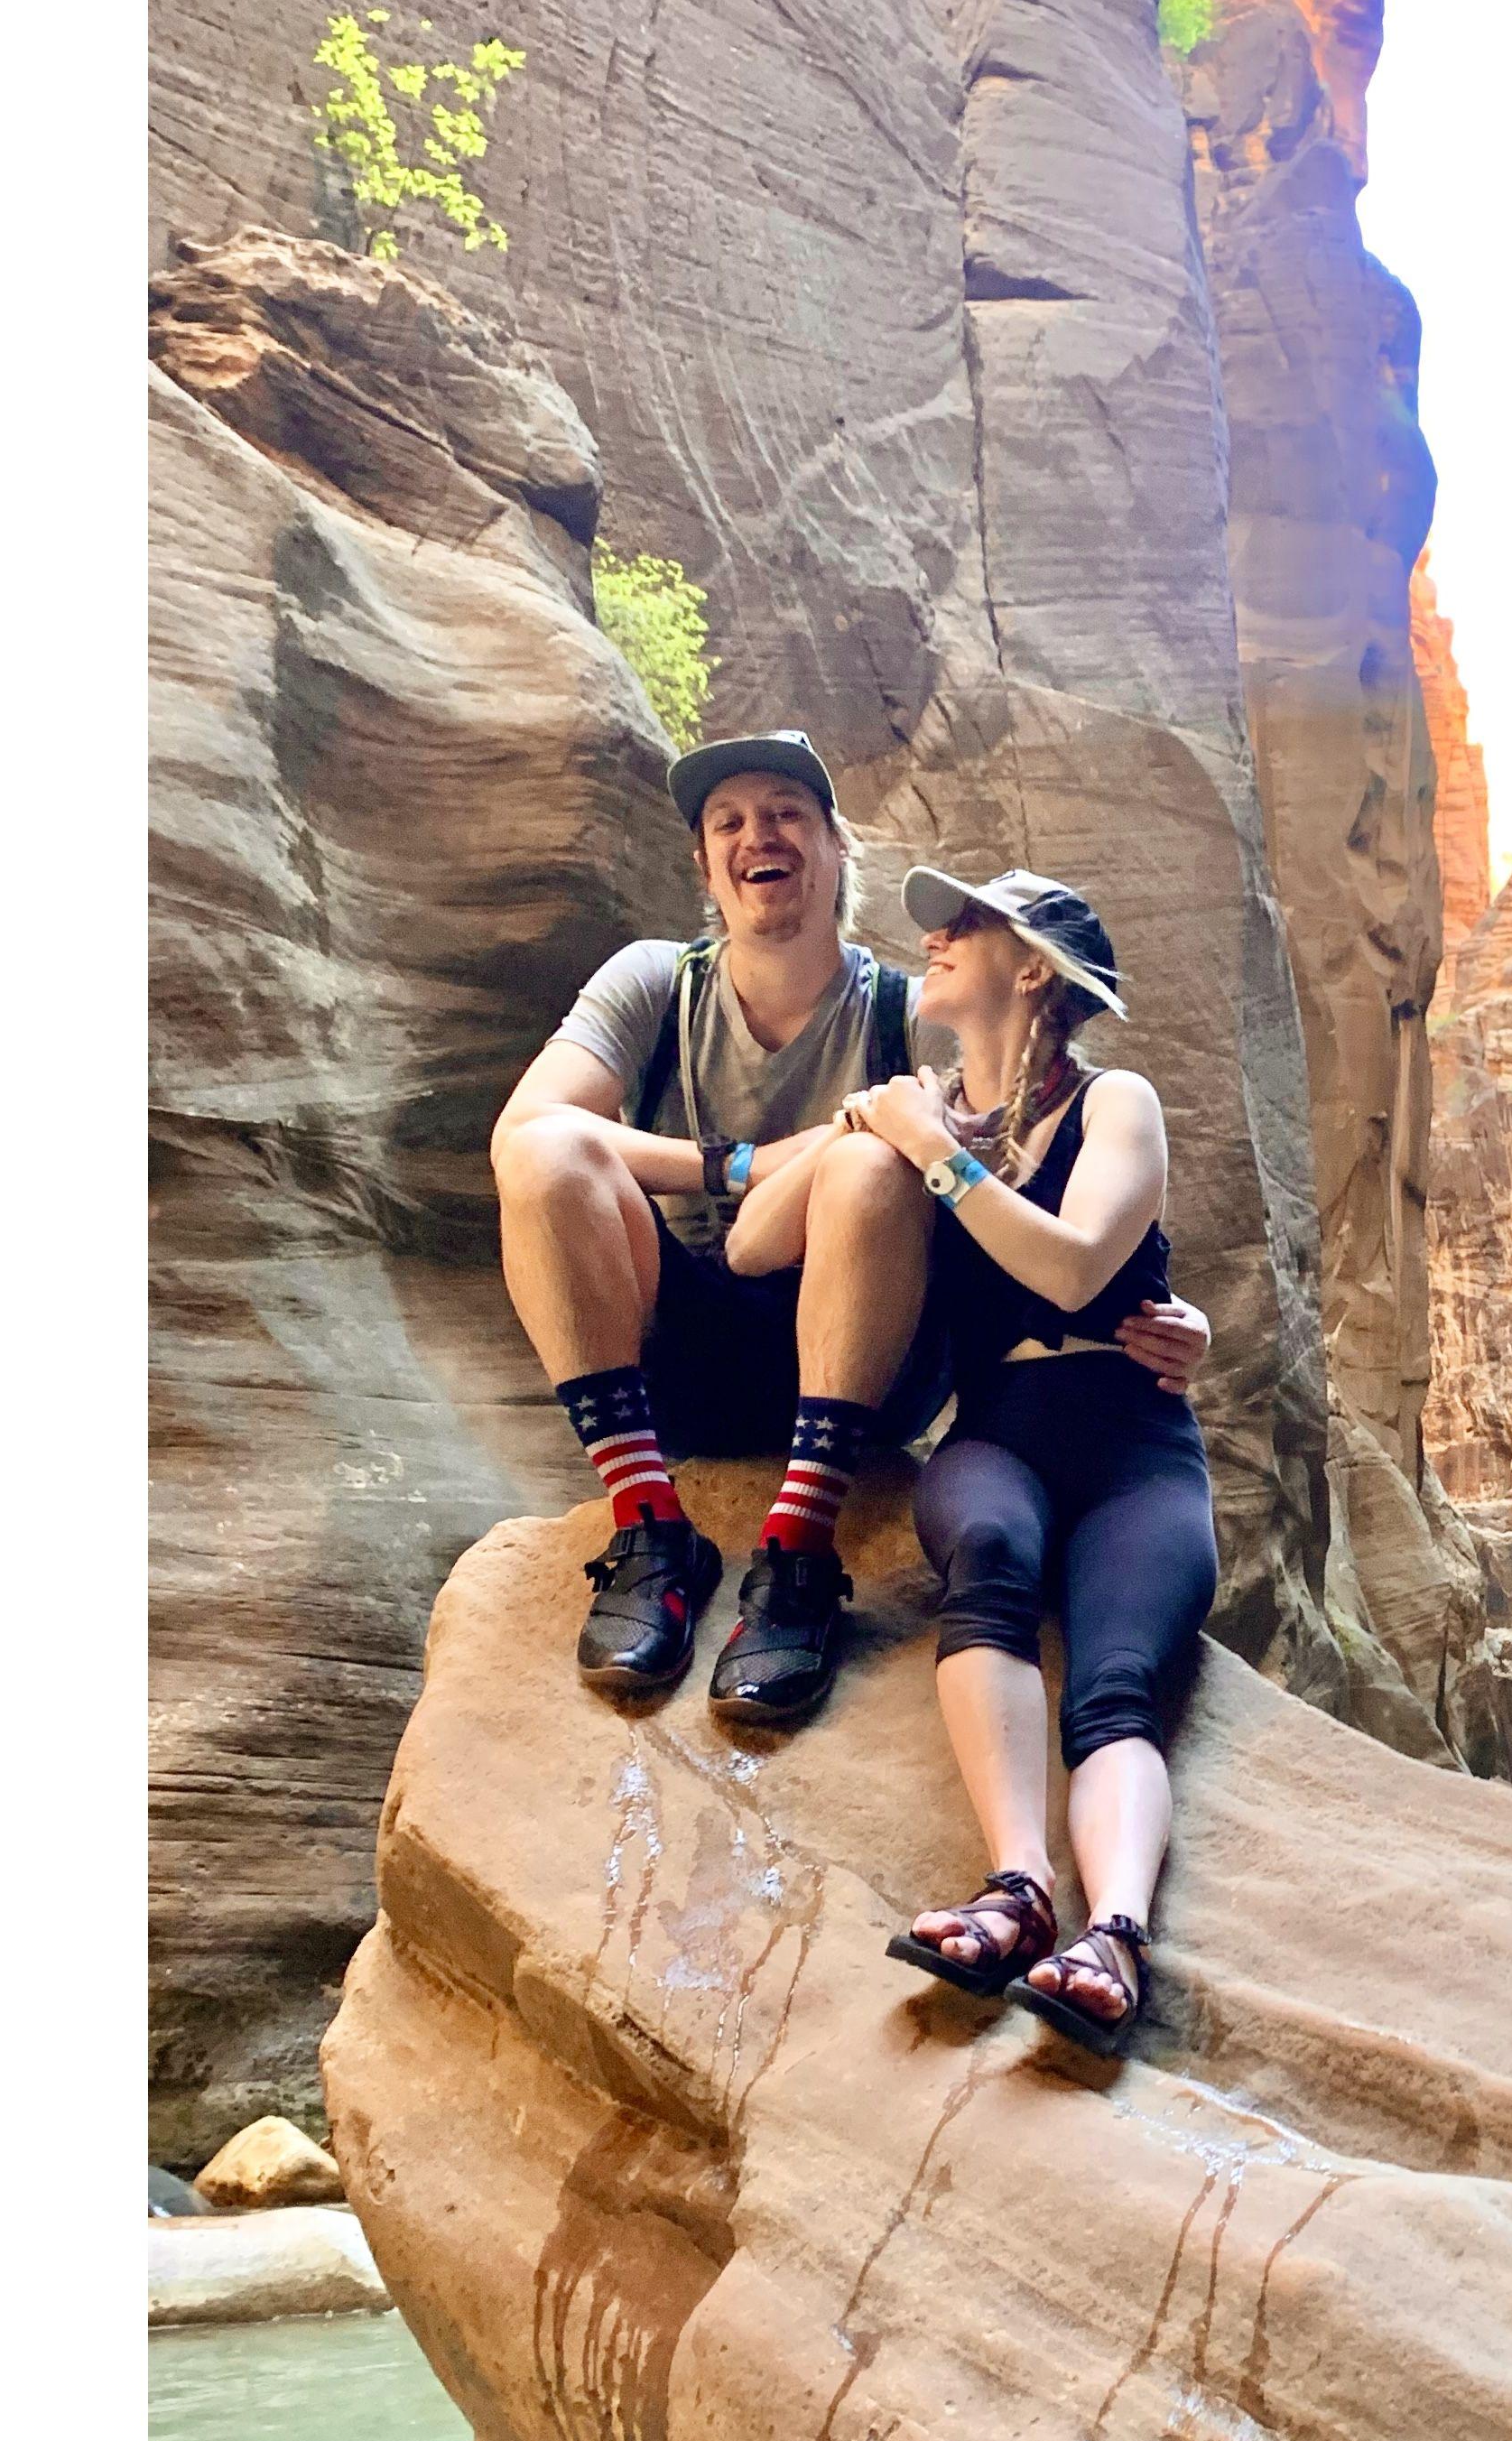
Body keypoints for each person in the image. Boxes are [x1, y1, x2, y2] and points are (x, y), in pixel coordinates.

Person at [487, 733, 1202, 1721]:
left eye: (784, 813)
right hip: (682, 1347)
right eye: (727, 822)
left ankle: (799, 1554)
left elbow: (1039, 1178)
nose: (755, 836)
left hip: (872, 1371)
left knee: (872, 1158)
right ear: (703, 864)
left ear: (833, 848)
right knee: (542, 1160)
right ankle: (653, 1532)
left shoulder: (915, 1014)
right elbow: (529, 1126)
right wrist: (742, 1164)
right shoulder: (655, 983)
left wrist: (1159, 1306)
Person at [871, 866, 1215, 2059]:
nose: (934, 940)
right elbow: (776, 1235)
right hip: (996, 1433)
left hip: (1134, 1447)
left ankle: (1114, 1934)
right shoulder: (910, 1111)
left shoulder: (1117, 1104)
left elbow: (1073, 1269)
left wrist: (933, 1156)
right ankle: (1017, 1890)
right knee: (992, 1556)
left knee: (1119, 1675)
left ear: (1032, 970)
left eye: (960, 926)